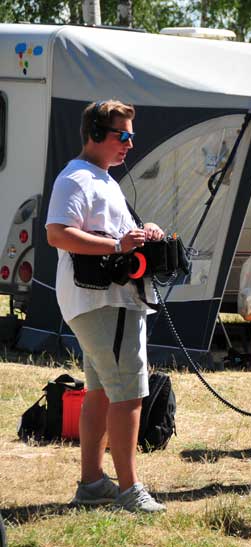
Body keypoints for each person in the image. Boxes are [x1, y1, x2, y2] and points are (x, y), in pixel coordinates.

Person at [45, 100, 166, 513]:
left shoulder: (103, 179)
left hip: (109, 301)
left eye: (132, 135)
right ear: (96, 134)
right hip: (102, 303)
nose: (130, 144)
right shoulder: (76, 178)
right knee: (129, 393)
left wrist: (143, 233)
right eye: (123, 135)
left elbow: (115, 235)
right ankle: (130, 490)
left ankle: (93, 483)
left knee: (99, 393)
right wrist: (117, 244)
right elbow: (57, 233)